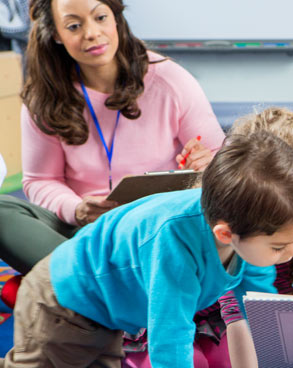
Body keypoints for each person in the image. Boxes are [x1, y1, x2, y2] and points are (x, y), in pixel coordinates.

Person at [0, 132, 293, 368]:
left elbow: (260, 309)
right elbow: (170, 335)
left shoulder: (246, 229)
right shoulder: (175, 241)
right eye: (281, 246)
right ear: (225, 233)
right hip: (62, 299)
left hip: (108, 315)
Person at [0, 0, 224, 275]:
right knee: (2, 211)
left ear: (116, 19)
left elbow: (220, 160)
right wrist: (77, 209)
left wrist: (206, 162)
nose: (92, 33)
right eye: (74, 26)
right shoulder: (43, 97)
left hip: (159, 230)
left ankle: (72, 284)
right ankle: (96, 281)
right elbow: (41, 181)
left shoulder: (169, 79)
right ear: (56, 34)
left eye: (101, 17)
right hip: (82, 234)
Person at [122, 107, 293, 368]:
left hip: (208, 321)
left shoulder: (280, 223)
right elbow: (175, 325)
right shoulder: (232, 227)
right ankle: (126, 359)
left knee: (225, 367)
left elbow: (262, 305)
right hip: (156, 318)